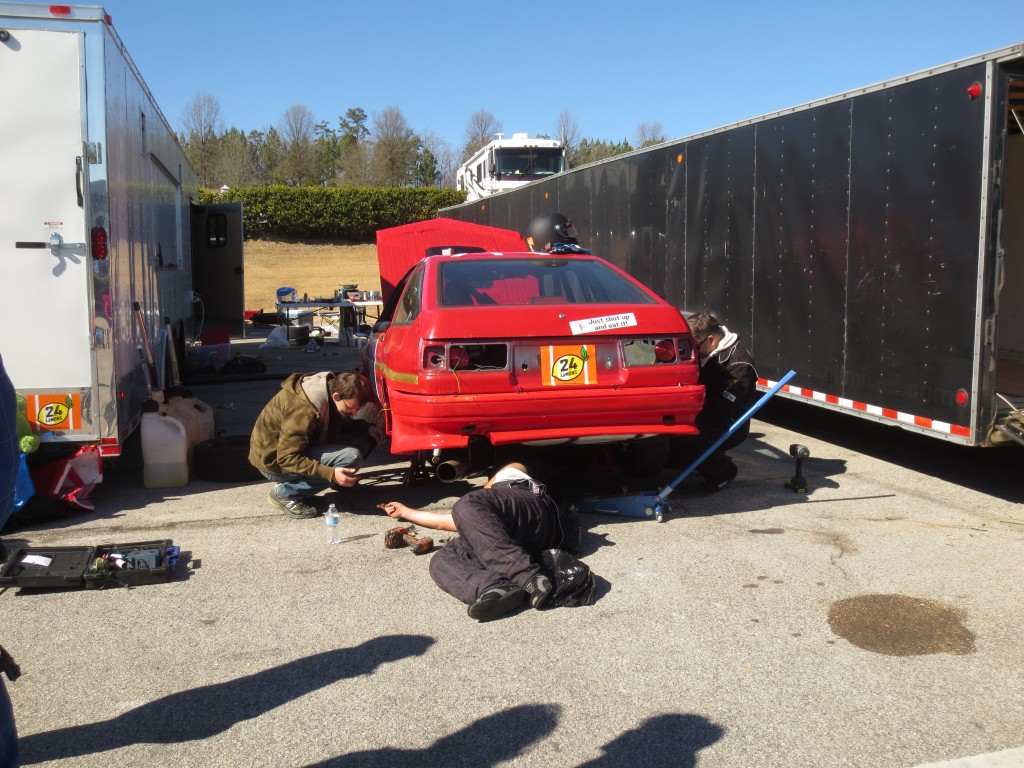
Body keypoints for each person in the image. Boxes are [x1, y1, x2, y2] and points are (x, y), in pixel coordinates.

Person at [377, 463, 580, 622]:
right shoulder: (477, 509)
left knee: (466, 504)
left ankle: (529, 576)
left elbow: (516, 466)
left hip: (531, 509)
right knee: (441, 559)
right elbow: (453, 521)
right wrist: (406, 512)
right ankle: (496, 587)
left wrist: (488, 487)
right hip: (511, 543)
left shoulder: (508, 474)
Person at [249, 371, 382, 519]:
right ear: (336, 396)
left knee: (363, 441)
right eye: (351, 409)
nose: (355, 413)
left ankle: (337, 483)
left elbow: (336, 421)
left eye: (357, 410)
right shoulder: (303, 410)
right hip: (274, 462)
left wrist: (366, 428)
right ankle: (286, 494)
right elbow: (287, 458)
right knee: (351, 457)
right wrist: (330, 474)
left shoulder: (327, 391)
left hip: (299, 448)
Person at [671, 313, 759, 491]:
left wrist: (688, 413)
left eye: (695, 346)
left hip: (728, 423)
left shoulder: (740, 364)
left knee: (681, 430)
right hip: (702, 411)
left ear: (711, 340)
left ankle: (723, 471)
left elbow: (725, 407)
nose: (692, 351)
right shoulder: (704, 353)